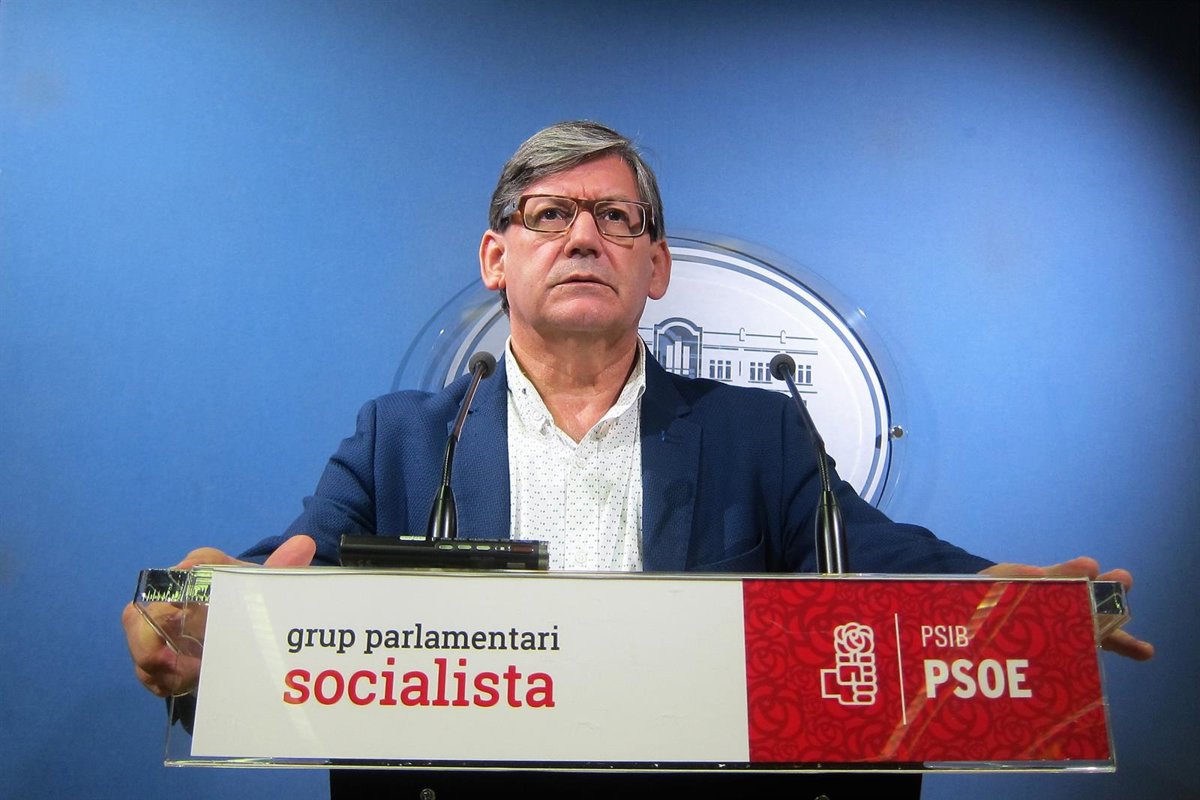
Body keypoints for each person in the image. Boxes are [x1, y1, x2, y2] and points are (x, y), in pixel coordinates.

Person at [122, 121, 1152, 797]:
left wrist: (1003, 600)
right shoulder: (402, 435)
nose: (584, 237)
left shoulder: (757, 433)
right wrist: (207, 613)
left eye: (615, 217)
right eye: (549, 215)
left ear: (655, 265)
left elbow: (873, 554)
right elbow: (297, 567)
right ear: (496, 258)